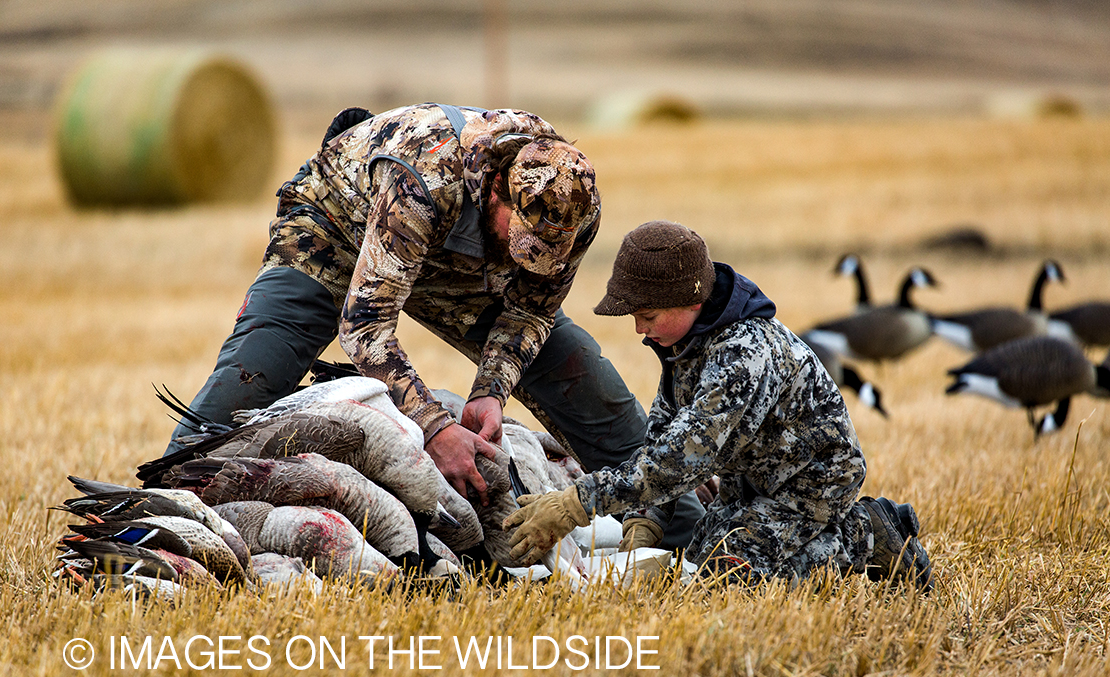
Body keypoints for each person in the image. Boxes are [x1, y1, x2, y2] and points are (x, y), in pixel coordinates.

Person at [166, 103, 704, 545]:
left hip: (466, 266)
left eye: (545, 252)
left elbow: (531, 309)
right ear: (496, 191)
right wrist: (436, 427)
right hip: (337, 232)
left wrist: (492, 391)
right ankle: (158, 519)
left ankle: (695, 536)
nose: (532, 258)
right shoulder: (424, 175)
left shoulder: (573, 205)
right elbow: (367, 327)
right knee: (251, 377)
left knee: (585, 381)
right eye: (524, 242)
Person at [505, 220, 933, 589]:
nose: (638, 328)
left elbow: (685, 456)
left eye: (648, 315)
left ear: (691, 301)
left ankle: (865, 533)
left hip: (809, 486)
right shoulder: (686, 344)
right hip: (752, 483)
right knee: (698, 554)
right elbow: (663, 433)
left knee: (727, 578)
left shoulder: (743, 354)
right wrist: (646, 519)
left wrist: (575, 504)